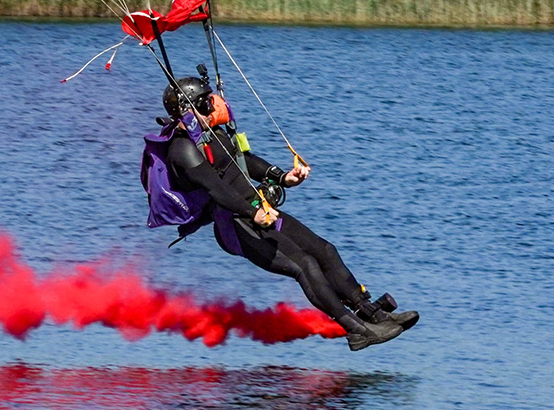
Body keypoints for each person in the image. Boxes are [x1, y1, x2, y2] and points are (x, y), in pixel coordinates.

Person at [150, 73, 418, 351]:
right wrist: (251, 211)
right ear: (187, 109)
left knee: (325, 250)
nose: (213, 108)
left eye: (211, 101)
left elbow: (244, 160)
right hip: (235, 225)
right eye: (205, 104)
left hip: (260, 211)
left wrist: (282, 177)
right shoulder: (182, 149)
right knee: (304, 265)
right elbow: (217, 189)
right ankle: (357, 330)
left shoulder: (212, 133)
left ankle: (374, 314)